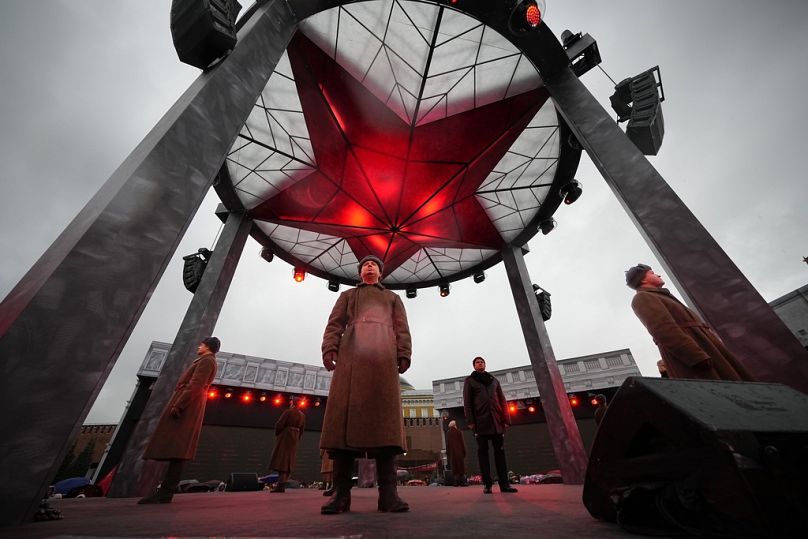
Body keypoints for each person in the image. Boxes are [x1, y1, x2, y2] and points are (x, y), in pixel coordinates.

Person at [320, 254, 412, 514]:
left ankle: (388, 495)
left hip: (383, 357)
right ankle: (341, 495)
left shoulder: (392, 298)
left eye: (373, 264)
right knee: (342, 426)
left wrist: (404, 352)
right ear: (360, 272)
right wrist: (329, 347)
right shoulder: (348, 296)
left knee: (386, 428)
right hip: (351, 356)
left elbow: (402, 328)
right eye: (365, 265)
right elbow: (334, 324)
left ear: (380, 273)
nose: (369, 266)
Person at [625, 264, 755, 381]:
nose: (658, 275)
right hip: (698, 354)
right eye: (652, 273)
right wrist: (696, 357)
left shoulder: (660, 296)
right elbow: (664, 330)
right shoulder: (643, 297)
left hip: (706, 347)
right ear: (642, 279)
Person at [138, 337, 220, 504]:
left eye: (202, 344)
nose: (199, 346)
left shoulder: (207, 361)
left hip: (188, 404)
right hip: (190, 402)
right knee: (177, 450)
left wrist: (179, 404)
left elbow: (196, 383)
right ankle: (165, 492)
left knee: (178, 449)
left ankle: (165, 492)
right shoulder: (206, 360)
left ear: (207, 346)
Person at [463, 357, 518, 494]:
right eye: (477, 362)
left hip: (496, 421)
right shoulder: (470, 381)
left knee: (500, 454)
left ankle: (504, 485)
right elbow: (467, 402)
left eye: (482, 362)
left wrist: (506, 420)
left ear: (485, 364)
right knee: (483, 454)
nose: (480, 363)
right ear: (474, 366)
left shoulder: (494, 381)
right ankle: (487, 484)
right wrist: (470, 421)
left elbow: (502, 400)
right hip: (480, 422)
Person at [268, 397, 306, 493]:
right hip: (295, 438)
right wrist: (296, 438)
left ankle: (280, 485)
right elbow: (302, 430)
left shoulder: (288, 412)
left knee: (281, 460)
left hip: (285, 436)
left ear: (293, 402)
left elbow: (279, 424)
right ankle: (282, 483)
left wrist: (278, 434)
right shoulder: (302, 415)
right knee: (289, 460)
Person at [445, 420, 467, 487]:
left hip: (452, 453)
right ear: (455, 425)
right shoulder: (459, 432)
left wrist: (448, 453)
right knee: (461, 467)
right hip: (460, 452)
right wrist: (464, 452)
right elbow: (462, 442)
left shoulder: (448, 433)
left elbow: (447, 444)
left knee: (455, 468)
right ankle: (463, 482)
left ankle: (456, 482)